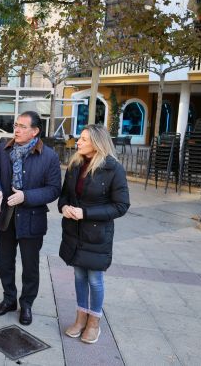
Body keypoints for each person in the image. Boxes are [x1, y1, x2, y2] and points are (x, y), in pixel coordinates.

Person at [0, 111, 61, 325]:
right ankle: (9, 299)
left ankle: (26, 303)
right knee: (5, 262)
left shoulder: (49, 156)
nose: (16, 130)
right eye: (16, 125)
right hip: (6, 217)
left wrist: (26, 196)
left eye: (22, 126)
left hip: (32, 219)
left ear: (35, 131)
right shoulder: (4, 148)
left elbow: (54, 189)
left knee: (30, 265)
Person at [58, 124, 129, 344]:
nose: (78, 142)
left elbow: (121, 206)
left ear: (97, 143)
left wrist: (85, 213)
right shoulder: (75, 165)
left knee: (95, 279)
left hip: (97, 234)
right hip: (74, 231)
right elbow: (64, 197)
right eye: (79, 138)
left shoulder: (113, 168)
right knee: (79, 275)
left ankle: (94, 321)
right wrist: (64, 208)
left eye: (83, 139)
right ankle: (80, 317)